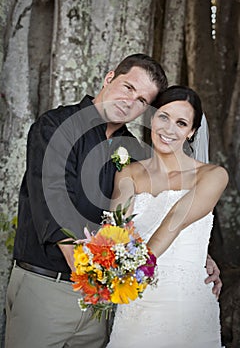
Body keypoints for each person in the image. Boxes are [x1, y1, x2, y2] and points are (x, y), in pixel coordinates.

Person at [4, 54, 221, 348]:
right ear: (109, 79)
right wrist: (92, 275)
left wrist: (197, 259)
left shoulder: (134, 155)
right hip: (48, 288)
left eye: (143, 101)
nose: (131, 101)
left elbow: (142, 218)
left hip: (104, 307)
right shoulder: (56, 126)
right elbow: (53, 201)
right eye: (128, 87)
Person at [107, 85, 228, 348]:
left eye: (181, 123)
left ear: (192, 132)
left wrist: (136, 269)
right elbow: (116, 230)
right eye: (163, 117)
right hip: (136, 303)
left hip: (186, 304)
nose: (169, 129)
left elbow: (176, 219)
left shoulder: (212, 175)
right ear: (152, 117)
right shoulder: (128, 174)